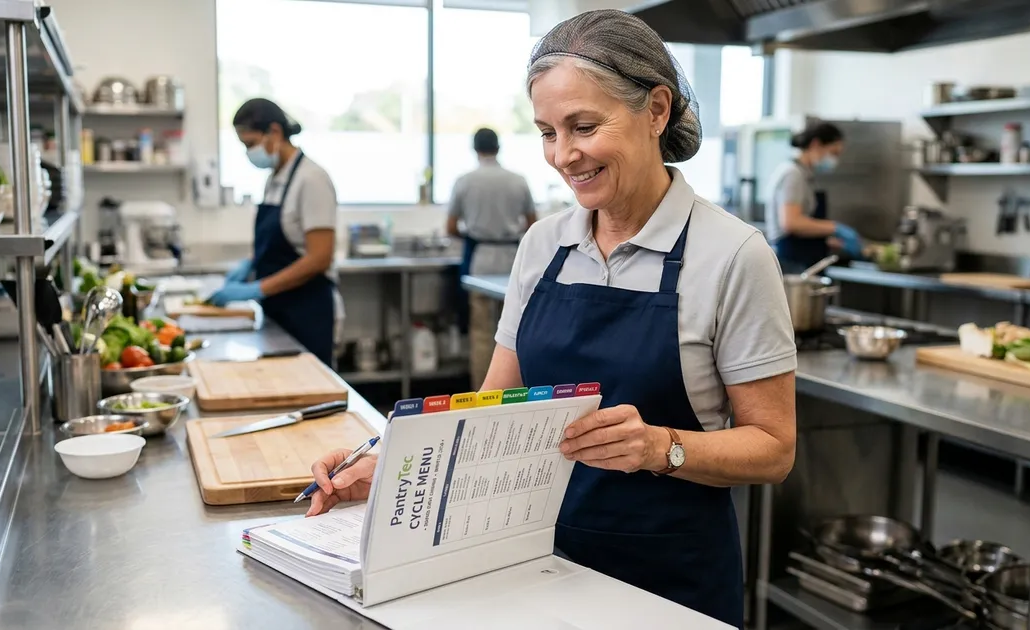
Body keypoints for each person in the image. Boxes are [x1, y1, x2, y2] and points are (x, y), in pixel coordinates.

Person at [304, 10, 796, 629]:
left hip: (669, 576)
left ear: (657, 110)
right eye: (546, 132)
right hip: (528, 562)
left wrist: (658, 447)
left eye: (584, 126)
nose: (563, 156)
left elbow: (773, 449)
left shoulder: (732, 254)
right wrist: (393, 467)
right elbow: (492, 401)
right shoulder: (543, 246)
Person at [211, 98, 342, 366]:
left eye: (250, 143)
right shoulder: (274, 180)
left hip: (308, 311)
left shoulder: (312, 179)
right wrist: (251, 264)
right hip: (278, 309)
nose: (249, 153)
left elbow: (319, 258)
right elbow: (276, 242)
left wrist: (257, 288)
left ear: (275, 132)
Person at [447, 127, 537, 387]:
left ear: (475, 149)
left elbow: (450, 228)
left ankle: (482, 397)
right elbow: (533, 225)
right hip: (513, 258)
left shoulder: (465, 181)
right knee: (516, 333)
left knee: (483, 334)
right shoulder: (518, 180)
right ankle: (514, 397)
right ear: (499, 147)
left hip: (481, 258)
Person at [765, 121, 863, 273]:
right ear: (816, 144)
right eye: (833, 153)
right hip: (791, 262)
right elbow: (791, 222)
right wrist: (835, 228)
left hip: (801, 259)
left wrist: (830, 241)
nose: (834, 160)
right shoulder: (793, 174)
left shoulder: (804, 175)